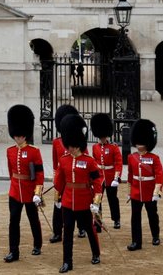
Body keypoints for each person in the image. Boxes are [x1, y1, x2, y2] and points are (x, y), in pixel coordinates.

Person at [53, 114, 102, 273]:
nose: (70, 149)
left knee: (89, 229)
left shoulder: (89, 161)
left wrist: (96, 202)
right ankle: (67, 262)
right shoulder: (64, 160)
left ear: (79, 145)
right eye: (69, 146)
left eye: (73, 146)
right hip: (68, 202)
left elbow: (97, 181)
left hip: (84, 202)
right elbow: (59, 181)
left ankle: (96, 253)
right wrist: (57, 197)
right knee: (67, 233)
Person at [4, 105, 44, 263]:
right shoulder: (10, 151)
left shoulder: (34, 151)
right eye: (16, 135)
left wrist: (37, 192)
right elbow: (11, 172)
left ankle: (37, 244)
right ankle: (13, 251)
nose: (18, 138)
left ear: (25, 135)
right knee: (14, 220)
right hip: (15, 191)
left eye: (20, 136)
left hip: (29, 191)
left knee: (33, 218)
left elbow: (39, 174)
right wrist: (14, 184)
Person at [127, 118, 163, 251]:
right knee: (135, 217)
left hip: (149, 191)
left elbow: (159, 175)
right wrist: (130, 191)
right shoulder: (132, 157)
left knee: (152, 215)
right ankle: (136, 241)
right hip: (137, 191)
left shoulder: (154, 158)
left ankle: (155, 235)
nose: (138, 144)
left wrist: (157, 192)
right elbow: (131, 175)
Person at [49, 104, 79, 244]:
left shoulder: (78, 143)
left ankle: (82, 227)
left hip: (74, 178)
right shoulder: (56, 142)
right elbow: (55, 164)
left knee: (78, 204)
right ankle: (57, 232)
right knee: (58, 205)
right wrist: (56, 180)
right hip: (62, 180)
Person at [90, 113, 123, 229]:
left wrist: (116, 177)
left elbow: (118, 163)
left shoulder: (113, 147)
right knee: (97, 198)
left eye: (104, 137)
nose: (103, 138)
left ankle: (116, 219)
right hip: (99, 177)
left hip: (110, 177)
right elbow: (94, 162)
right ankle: (98, 221)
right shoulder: (95, 147)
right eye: (101, 137)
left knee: (112, 199)